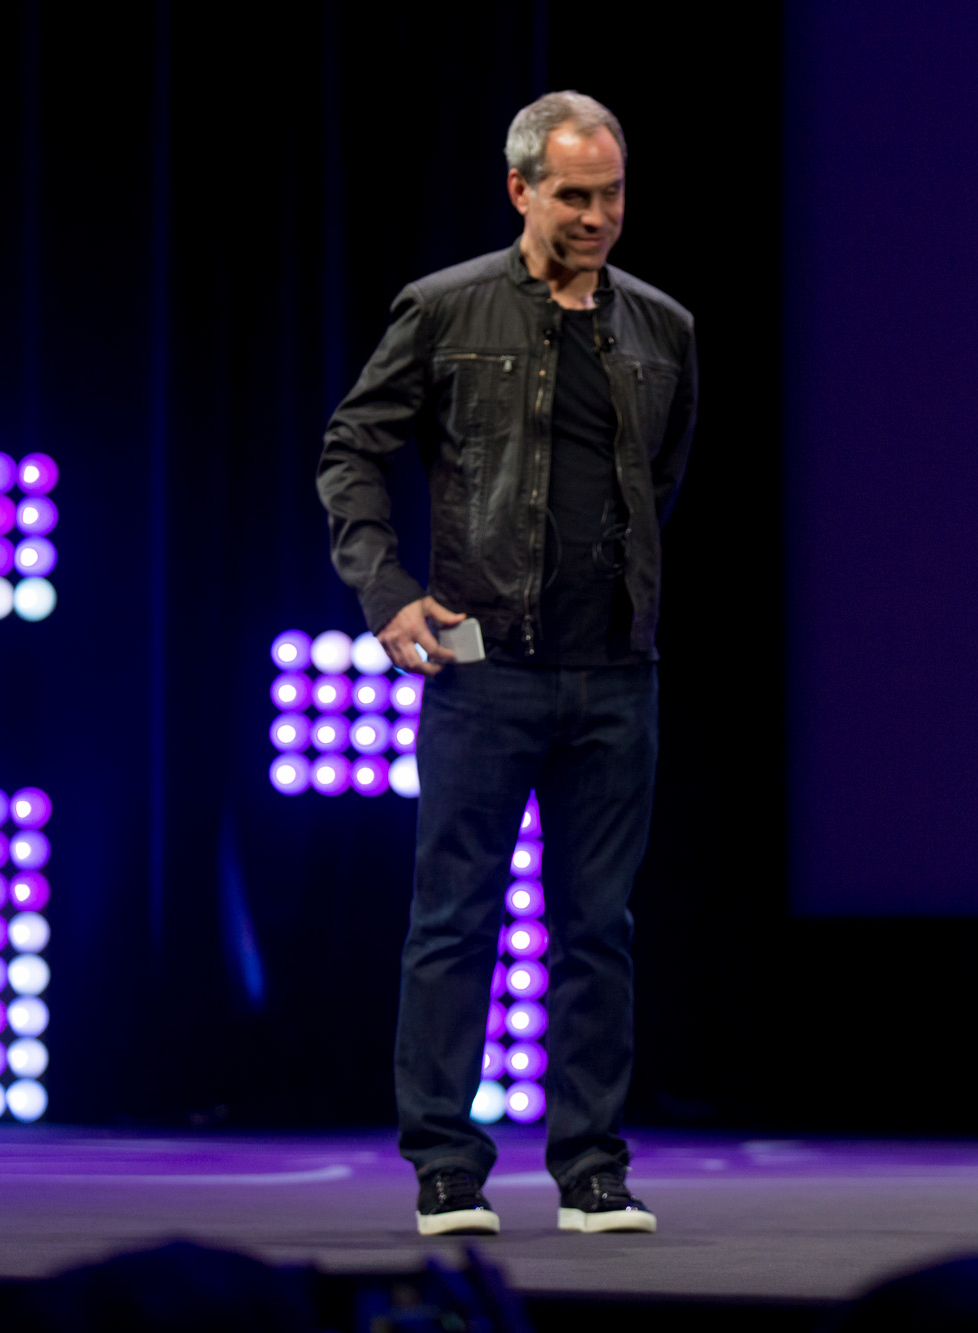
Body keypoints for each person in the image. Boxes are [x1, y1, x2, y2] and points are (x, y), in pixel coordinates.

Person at [317, 90, 696, 1237]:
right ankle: (444, 1164)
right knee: (453, 920)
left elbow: (659, 477)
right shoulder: (447, 309)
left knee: (599, 929)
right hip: (484, 671)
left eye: (611, 194)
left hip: (614, 672)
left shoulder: (661, 328)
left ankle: (591, 1170)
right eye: (573, 195)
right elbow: (351, 448)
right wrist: (387, 593)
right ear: (520, 188)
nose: (596, 216)